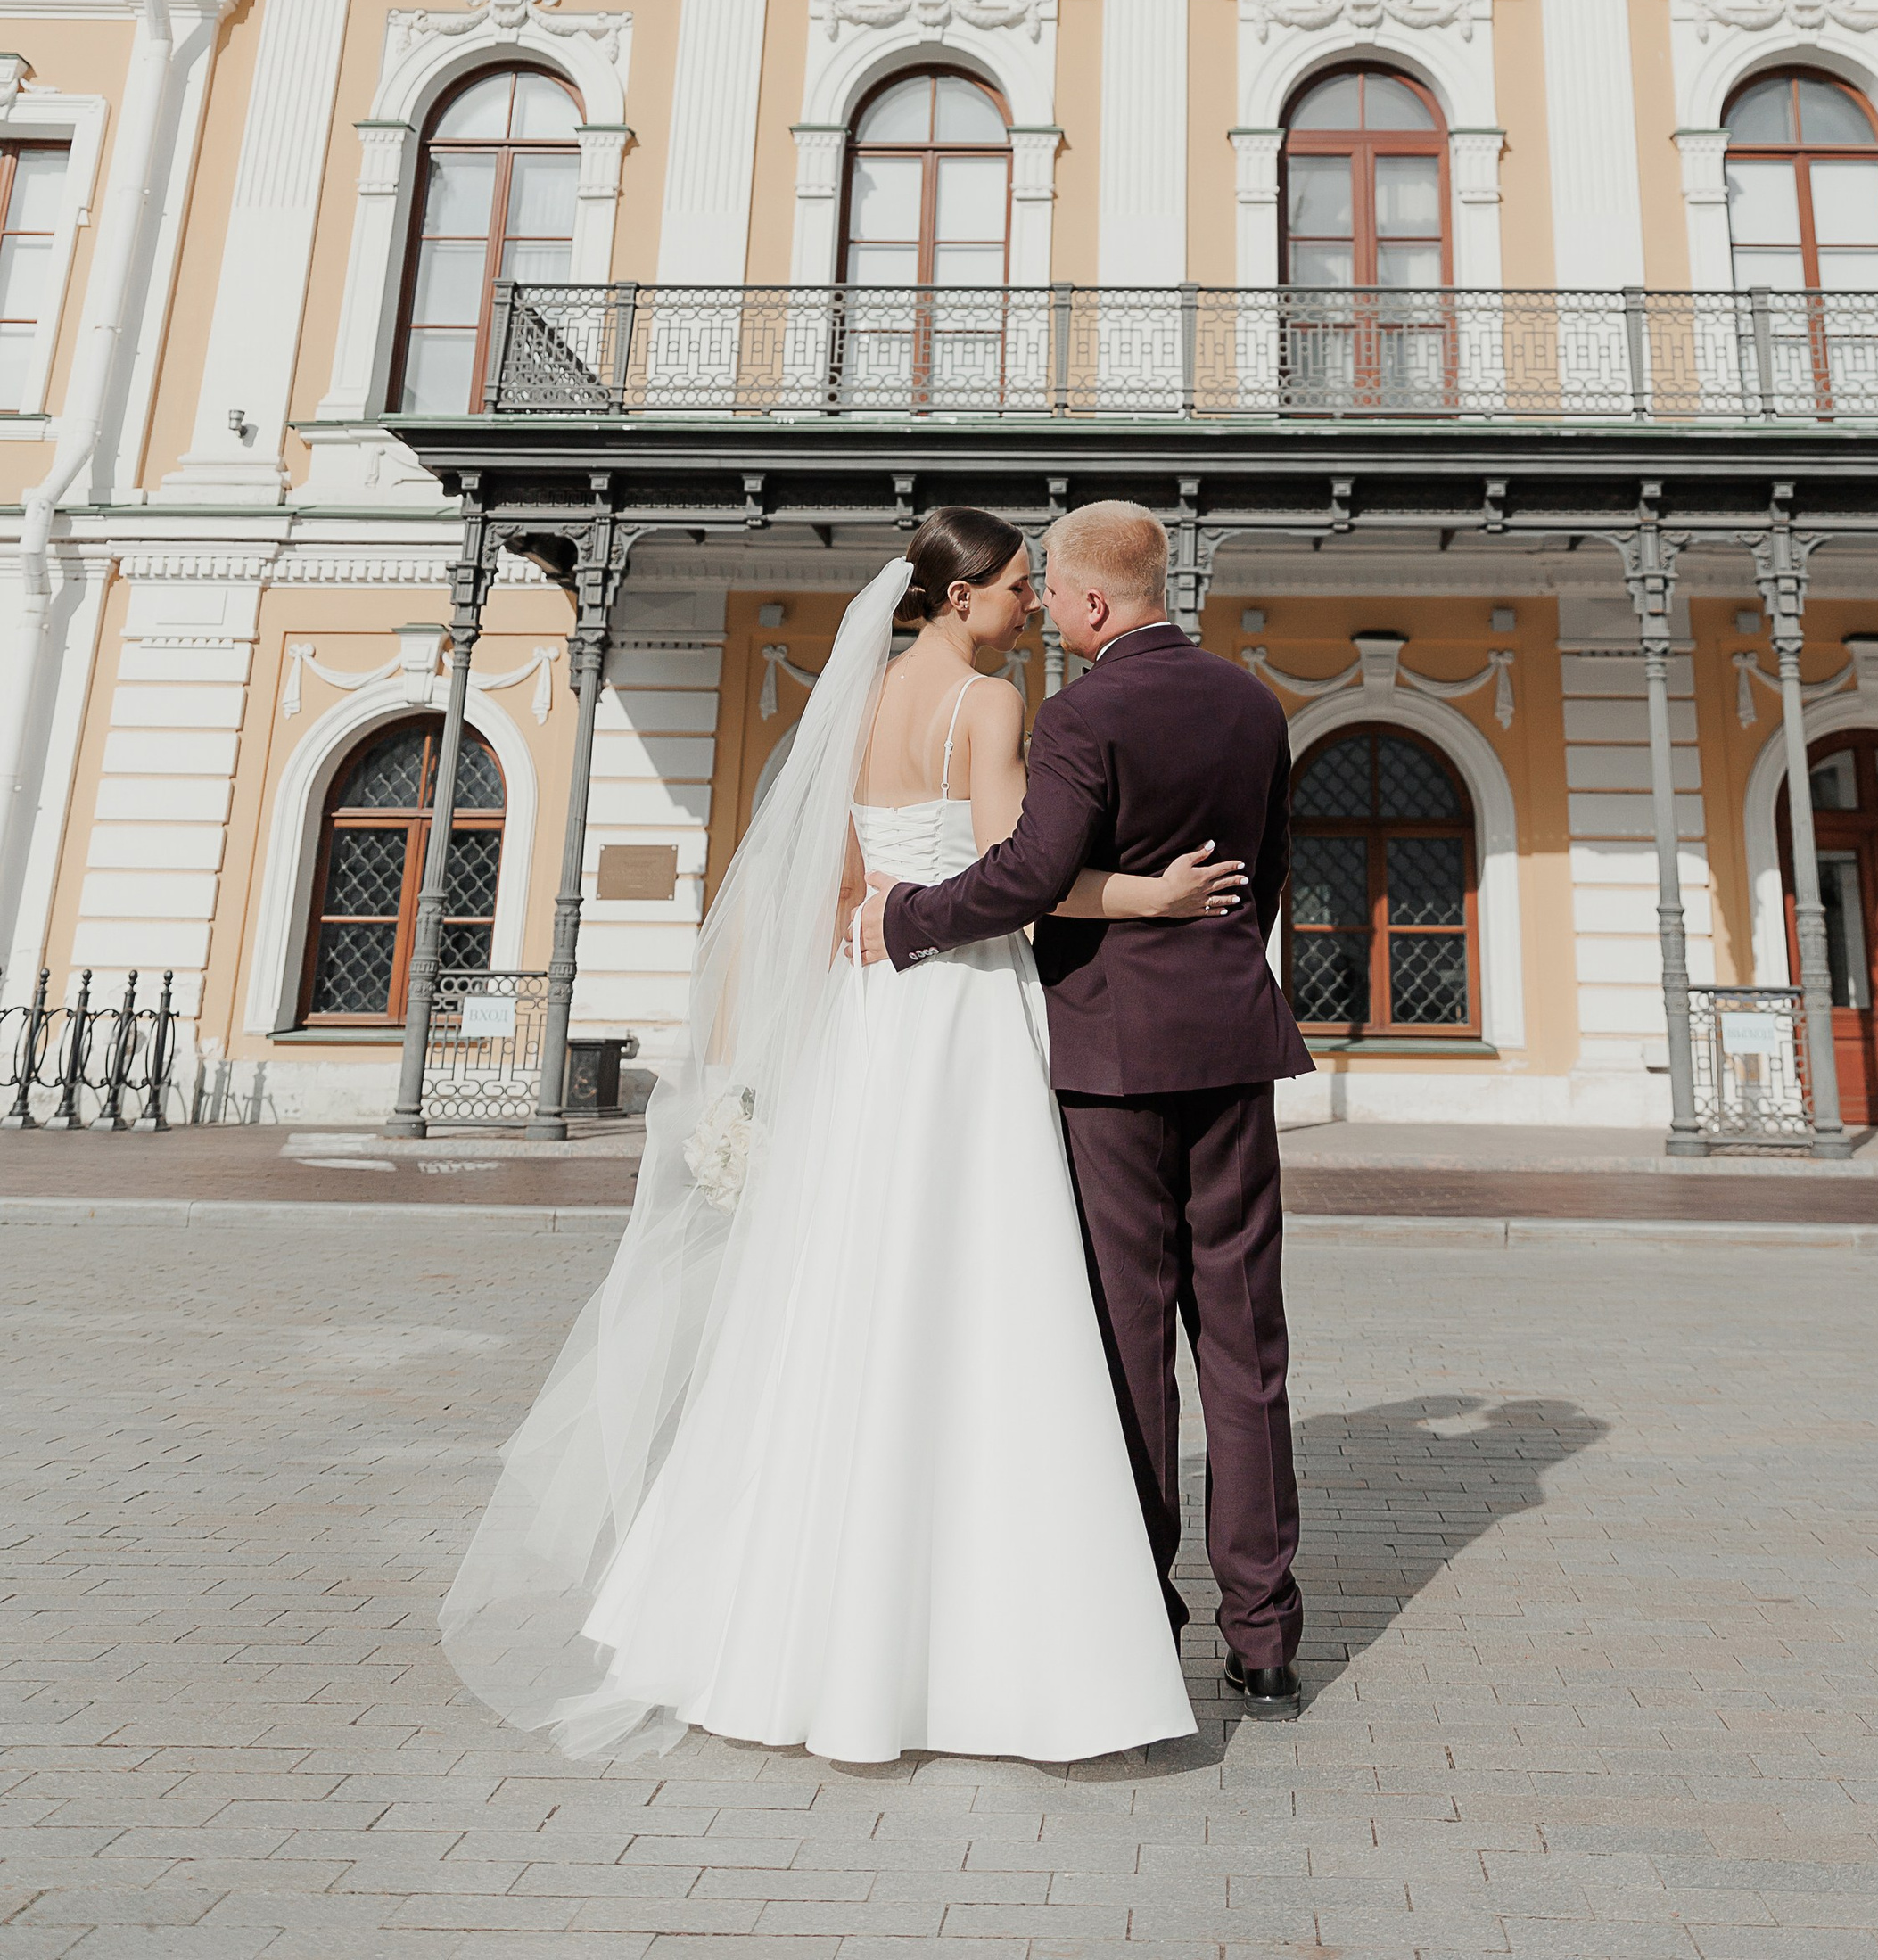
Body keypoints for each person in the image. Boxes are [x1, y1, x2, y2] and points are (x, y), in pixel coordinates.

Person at [441, 506, 1247, 1766]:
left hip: (874, 1018)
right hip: (964, 1010)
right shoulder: (986, 709)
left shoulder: (857, 696)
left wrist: (844, 981)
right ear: (964, 597)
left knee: (847, 1287)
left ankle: (779, 1623)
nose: (1034, 605)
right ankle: (986, 1637)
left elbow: (827, 893)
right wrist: (1152, 892)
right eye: (1021, 588)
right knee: (983, 1287)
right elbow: (1020, 875)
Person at [863, 498, 1313, 1701]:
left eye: (1053, 592)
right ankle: (1266, 1641)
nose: (1046, 613)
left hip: (1112, 1059)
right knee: (1246, 1346)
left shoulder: (1079, 713)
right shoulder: (1254, 704)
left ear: (1096, 601)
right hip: (1231, 1042)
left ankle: (1143, 1617)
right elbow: (1263, 875)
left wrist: (905, 919)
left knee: (1131, 1340)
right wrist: (1215, 969)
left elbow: (1028, 874)